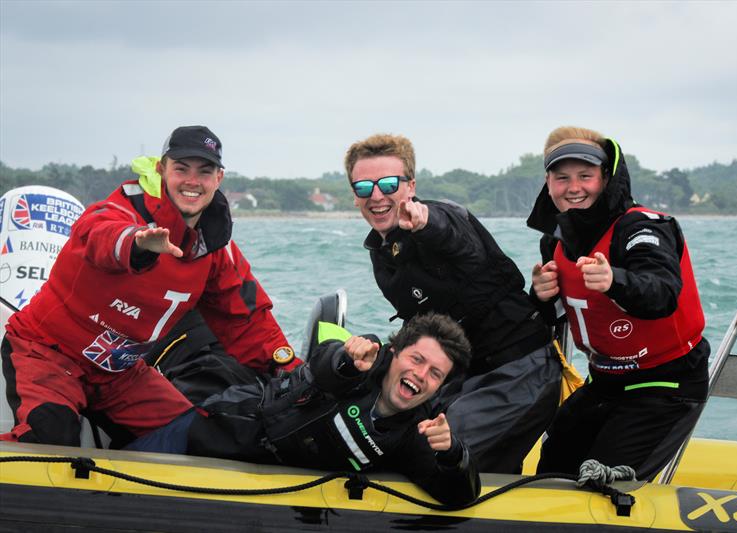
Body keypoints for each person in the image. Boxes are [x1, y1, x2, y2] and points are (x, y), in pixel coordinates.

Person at [1, 125, 299, 446]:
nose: (192, 181)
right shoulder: (124, 209)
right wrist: (137, 246)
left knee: (200, 438)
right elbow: (99, 235)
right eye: (181, 169)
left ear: (218, 179)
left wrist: (293, 371)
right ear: (161, 170)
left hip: (120, 376)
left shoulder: (215, 249)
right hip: (46, 353)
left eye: (204, 171)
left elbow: (247, 320)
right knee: (50, 437)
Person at [342, 133, 561, 473]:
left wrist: (426, 223)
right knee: (375, 429)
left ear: (410, 186)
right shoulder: (383, 253)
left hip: (519, 369)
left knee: (430, 456)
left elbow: (456, 239)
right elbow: (420, 324)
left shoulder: (441, 216)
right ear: (354, 196)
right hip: (461, 376)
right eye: (363, 187)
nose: (377, 195)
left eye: (387, 183)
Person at [128, 312, 481, 506]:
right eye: (416, 359)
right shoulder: (362, 365)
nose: (420, 375)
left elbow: (459, 495)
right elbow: (324, 362)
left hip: (265, 485)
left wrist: (451, 453)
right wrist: (347, 357)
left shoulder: (413, 433)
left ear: (440, 386)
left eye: (435, 373)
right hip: (218, 429)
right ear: (394, 354)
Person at [528, 126, 709, 481]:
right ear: (548, 184)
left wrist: (616, 282)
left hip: (665, 385)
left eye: (585, 176)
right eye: (561, 178)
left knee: (599, 482)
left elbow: (662, 290)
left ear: (606, 178)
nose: (574, 188)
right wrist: (541, 297)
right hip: (606, 382)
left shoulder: (642, 227)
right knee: (552, 468)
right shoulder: (556, 242)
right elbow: (560, 317)